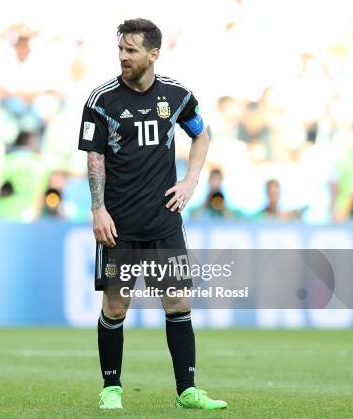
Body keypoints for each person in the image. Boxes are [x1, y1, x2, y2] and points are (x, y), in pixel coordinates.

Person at [78, 19, 227, 410]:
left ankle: (187, 391)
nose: (123, 56)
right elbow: (94, 158)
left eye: (131, 50)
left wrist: (192, 180)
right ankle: (111, 388)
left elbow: (201, 134)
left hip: (164, 221)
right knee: (115, 307)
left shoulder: (176, 96)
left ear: (153, 54)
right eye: (121, 50)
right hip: (119, 225)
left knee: (178, 304)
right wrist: (98, 209)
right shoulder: (101, 100)